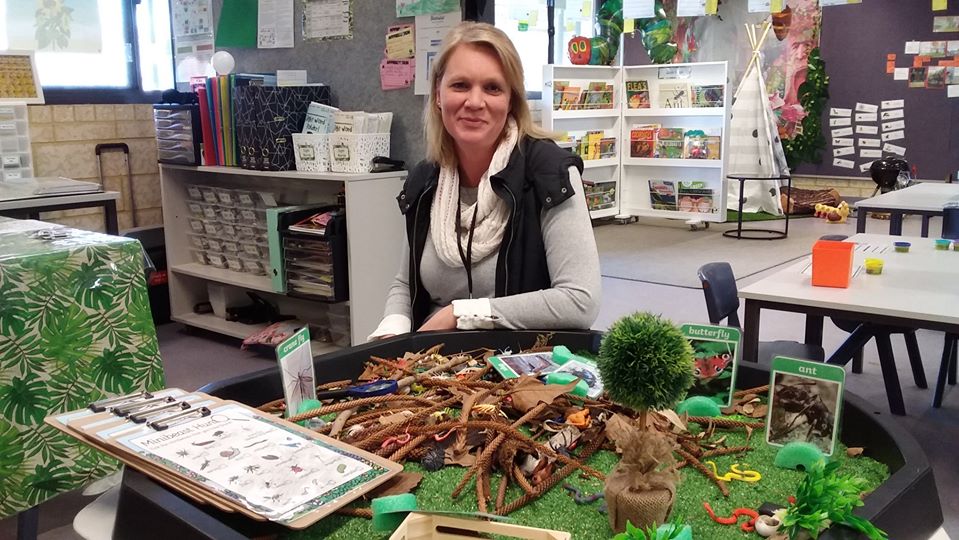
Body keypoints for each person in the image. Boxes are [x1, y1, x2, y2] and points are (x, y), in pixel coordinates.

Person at [368, 21, 601, 339]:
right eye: (460, 85)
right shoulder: (424, 181)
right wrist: (390, 335)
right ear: (438, 94)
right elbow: (404, 284)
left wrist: (460, 314)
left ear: (511, 101)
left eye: (493, 88)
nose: (475, 102)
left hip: (523, 367)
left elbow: (579, 301)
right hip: (435, 366)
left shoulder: (549, 174)